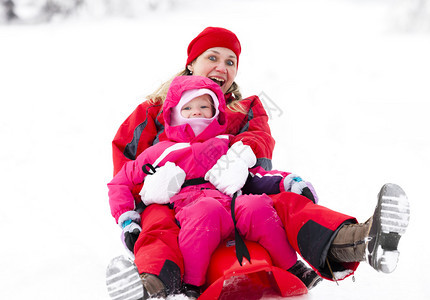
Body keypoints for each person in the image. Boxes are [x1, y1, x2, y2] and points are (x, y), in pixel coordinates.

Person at [106, 27, 410, 299]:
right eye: (213, 57)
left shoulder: (244, 107)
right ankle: (152, 286)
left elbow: (259, 144)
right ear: (192, 63)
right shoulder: (155, 110)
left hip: (232, 188)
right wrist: (139, 206)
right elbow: (125, 166)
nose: (221, 67)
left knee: (283, 204)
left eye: (230, 62)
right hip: (168, 198)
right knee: (157, 225)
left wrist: (239, 158)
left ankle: (361, 241)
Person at [109, 75, 321, 298]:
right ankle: (191, 284)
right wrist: (127, 219)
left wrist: (289, 181)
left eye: (204, 105)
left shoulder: (225, 142)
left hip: (232, 203)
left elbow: (255, 174)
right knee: (206, 210)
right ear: (173, 114)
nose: (197, 111)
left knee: (257, 205)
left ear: (216, 112)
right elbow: (120, 182)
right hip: (194, 208)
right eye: (188, 107)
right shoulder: (161, 151)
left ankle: (292, 267)